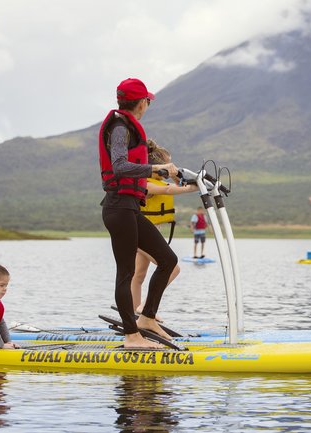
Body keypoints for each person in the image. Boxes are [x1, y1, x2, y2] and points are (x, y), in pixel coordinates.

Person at [99, 77, 179, 349]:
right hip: (118, 207)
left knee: (168, 260)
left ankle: (147, 318)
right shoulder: (121, 128)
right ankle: (132, 336)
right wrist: (157, 170)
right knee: (126, 272)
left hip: (129, 208)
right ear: (142, 103)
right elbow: (119, 166)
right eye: (148, 101)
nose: (148, 105)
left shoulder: (128, 127)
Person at [131, 139, 199, 318]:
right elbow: (168, 190)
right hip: (139, 233)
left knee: (139, 274)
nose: (170, 170)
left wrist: (185, 178)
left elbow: (175, 183)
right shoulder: (145, 183)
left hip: (145, 233)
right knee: (172, 268)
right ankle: (144, 308)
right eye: (167, 167)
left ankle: (135, 312)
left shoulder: (158, 180)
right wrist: (193, 189)